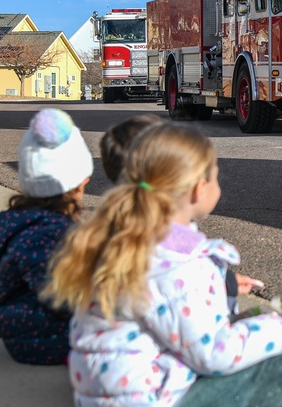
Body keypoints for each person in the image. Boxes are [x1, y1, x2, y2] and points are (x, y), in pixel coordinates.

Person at [44, 123, 282, 407]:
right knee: (281, 367)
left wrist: (220, 289)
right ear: (198, 189)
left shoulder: (128, 239)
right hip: (154, 406)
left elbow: (166, 312)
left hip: (115, 401)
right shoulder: (178, 266)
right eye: (216, 176)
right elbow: (213, 354)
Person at [98, 114, 262, 314]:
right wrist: (281, 329)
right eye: (215, 177)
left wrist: (220, 284)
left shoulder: (116, 235)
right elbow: (208, 341)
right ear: (198, 188)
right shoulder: (181, 263)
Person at [0, 108, 94, 364]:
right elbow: (67, 299)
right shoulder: (63, 234)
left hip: (14, 335)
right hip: (67, 340)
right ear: (82, 182)